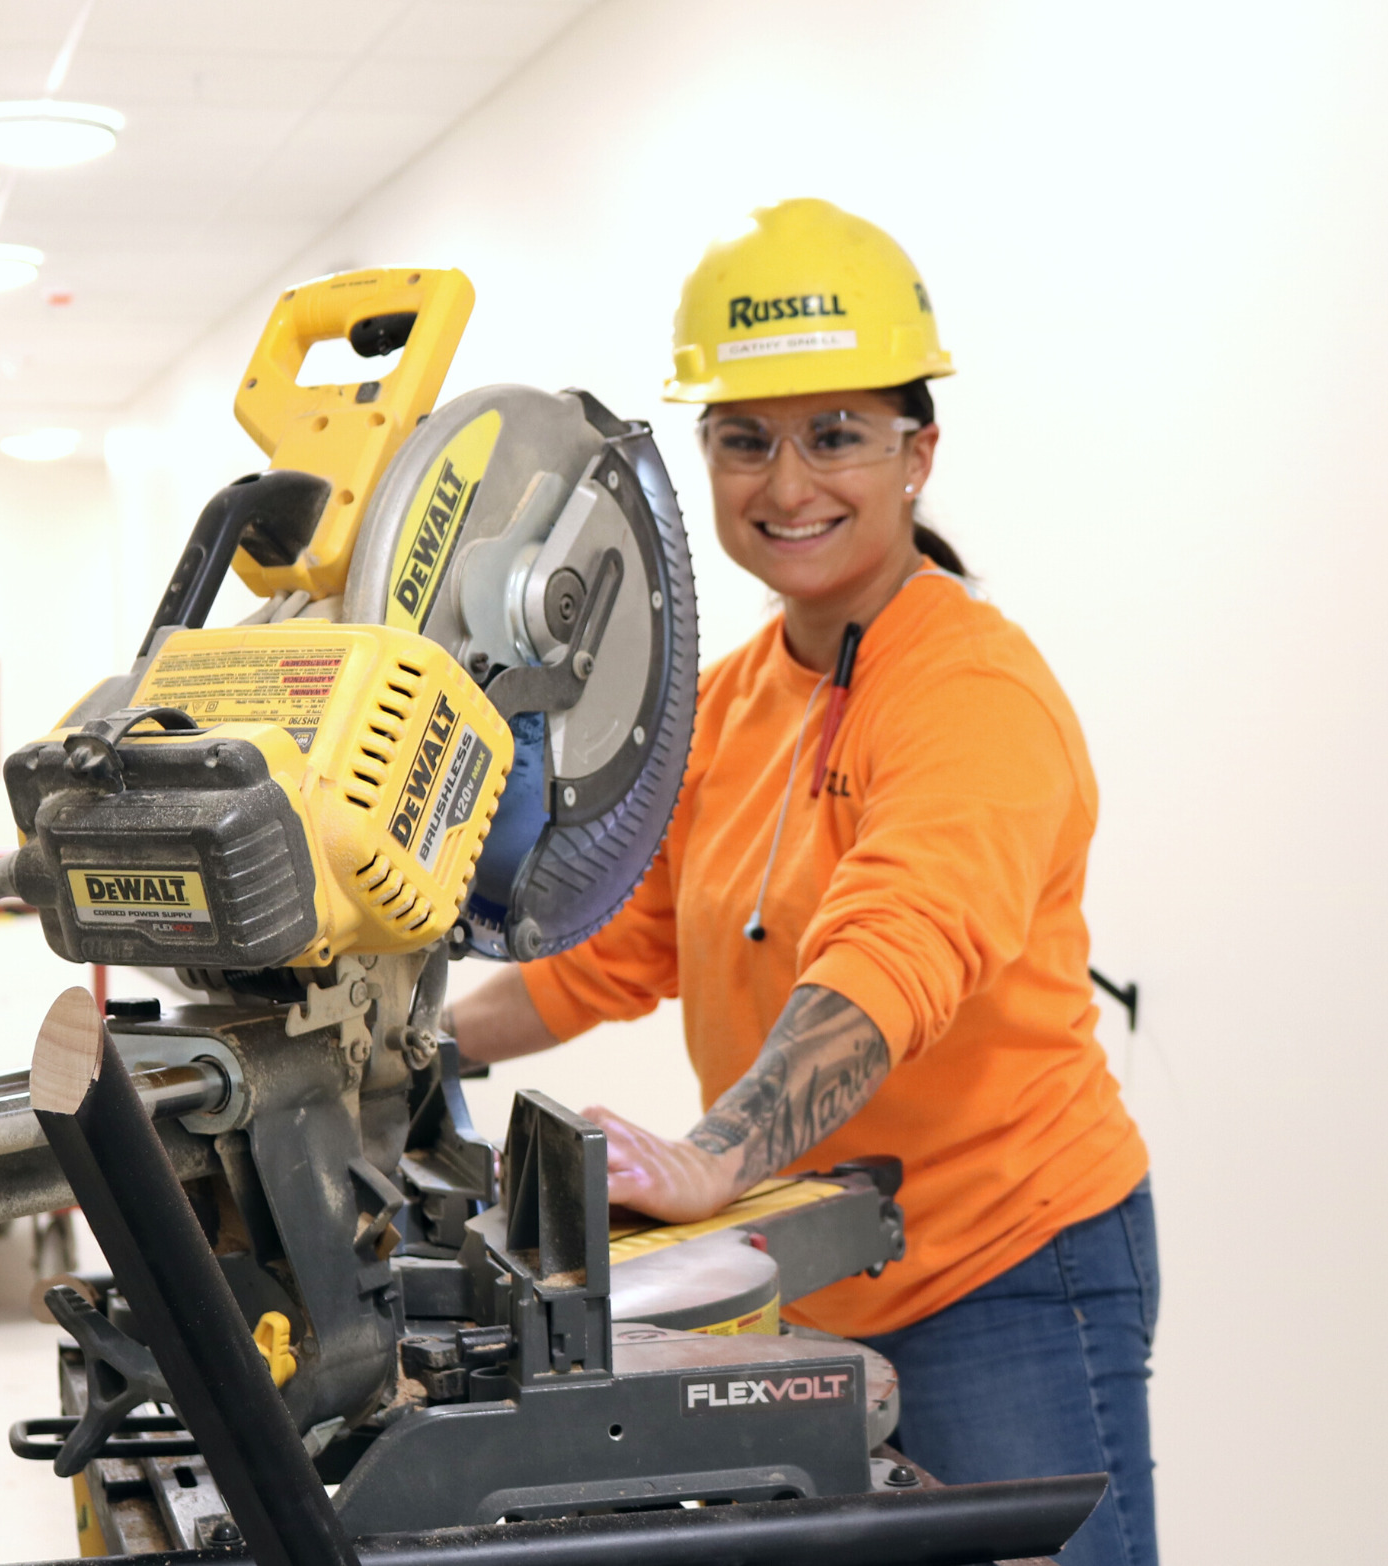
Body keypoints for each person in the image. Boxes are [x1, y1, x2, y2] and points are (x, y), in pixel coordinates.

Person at [449, 199, 1158, 1566]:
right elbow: (622, 945)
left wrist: (718, 1155)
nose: (786, 487)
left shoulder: (973, 690)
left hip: (1009, 1263)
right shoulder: (729, 698)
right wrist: (424, 1047)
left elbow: (896, 951)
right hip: (819, 1255)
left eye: (835, 435)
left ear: (917, 455)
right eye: (744, 441)